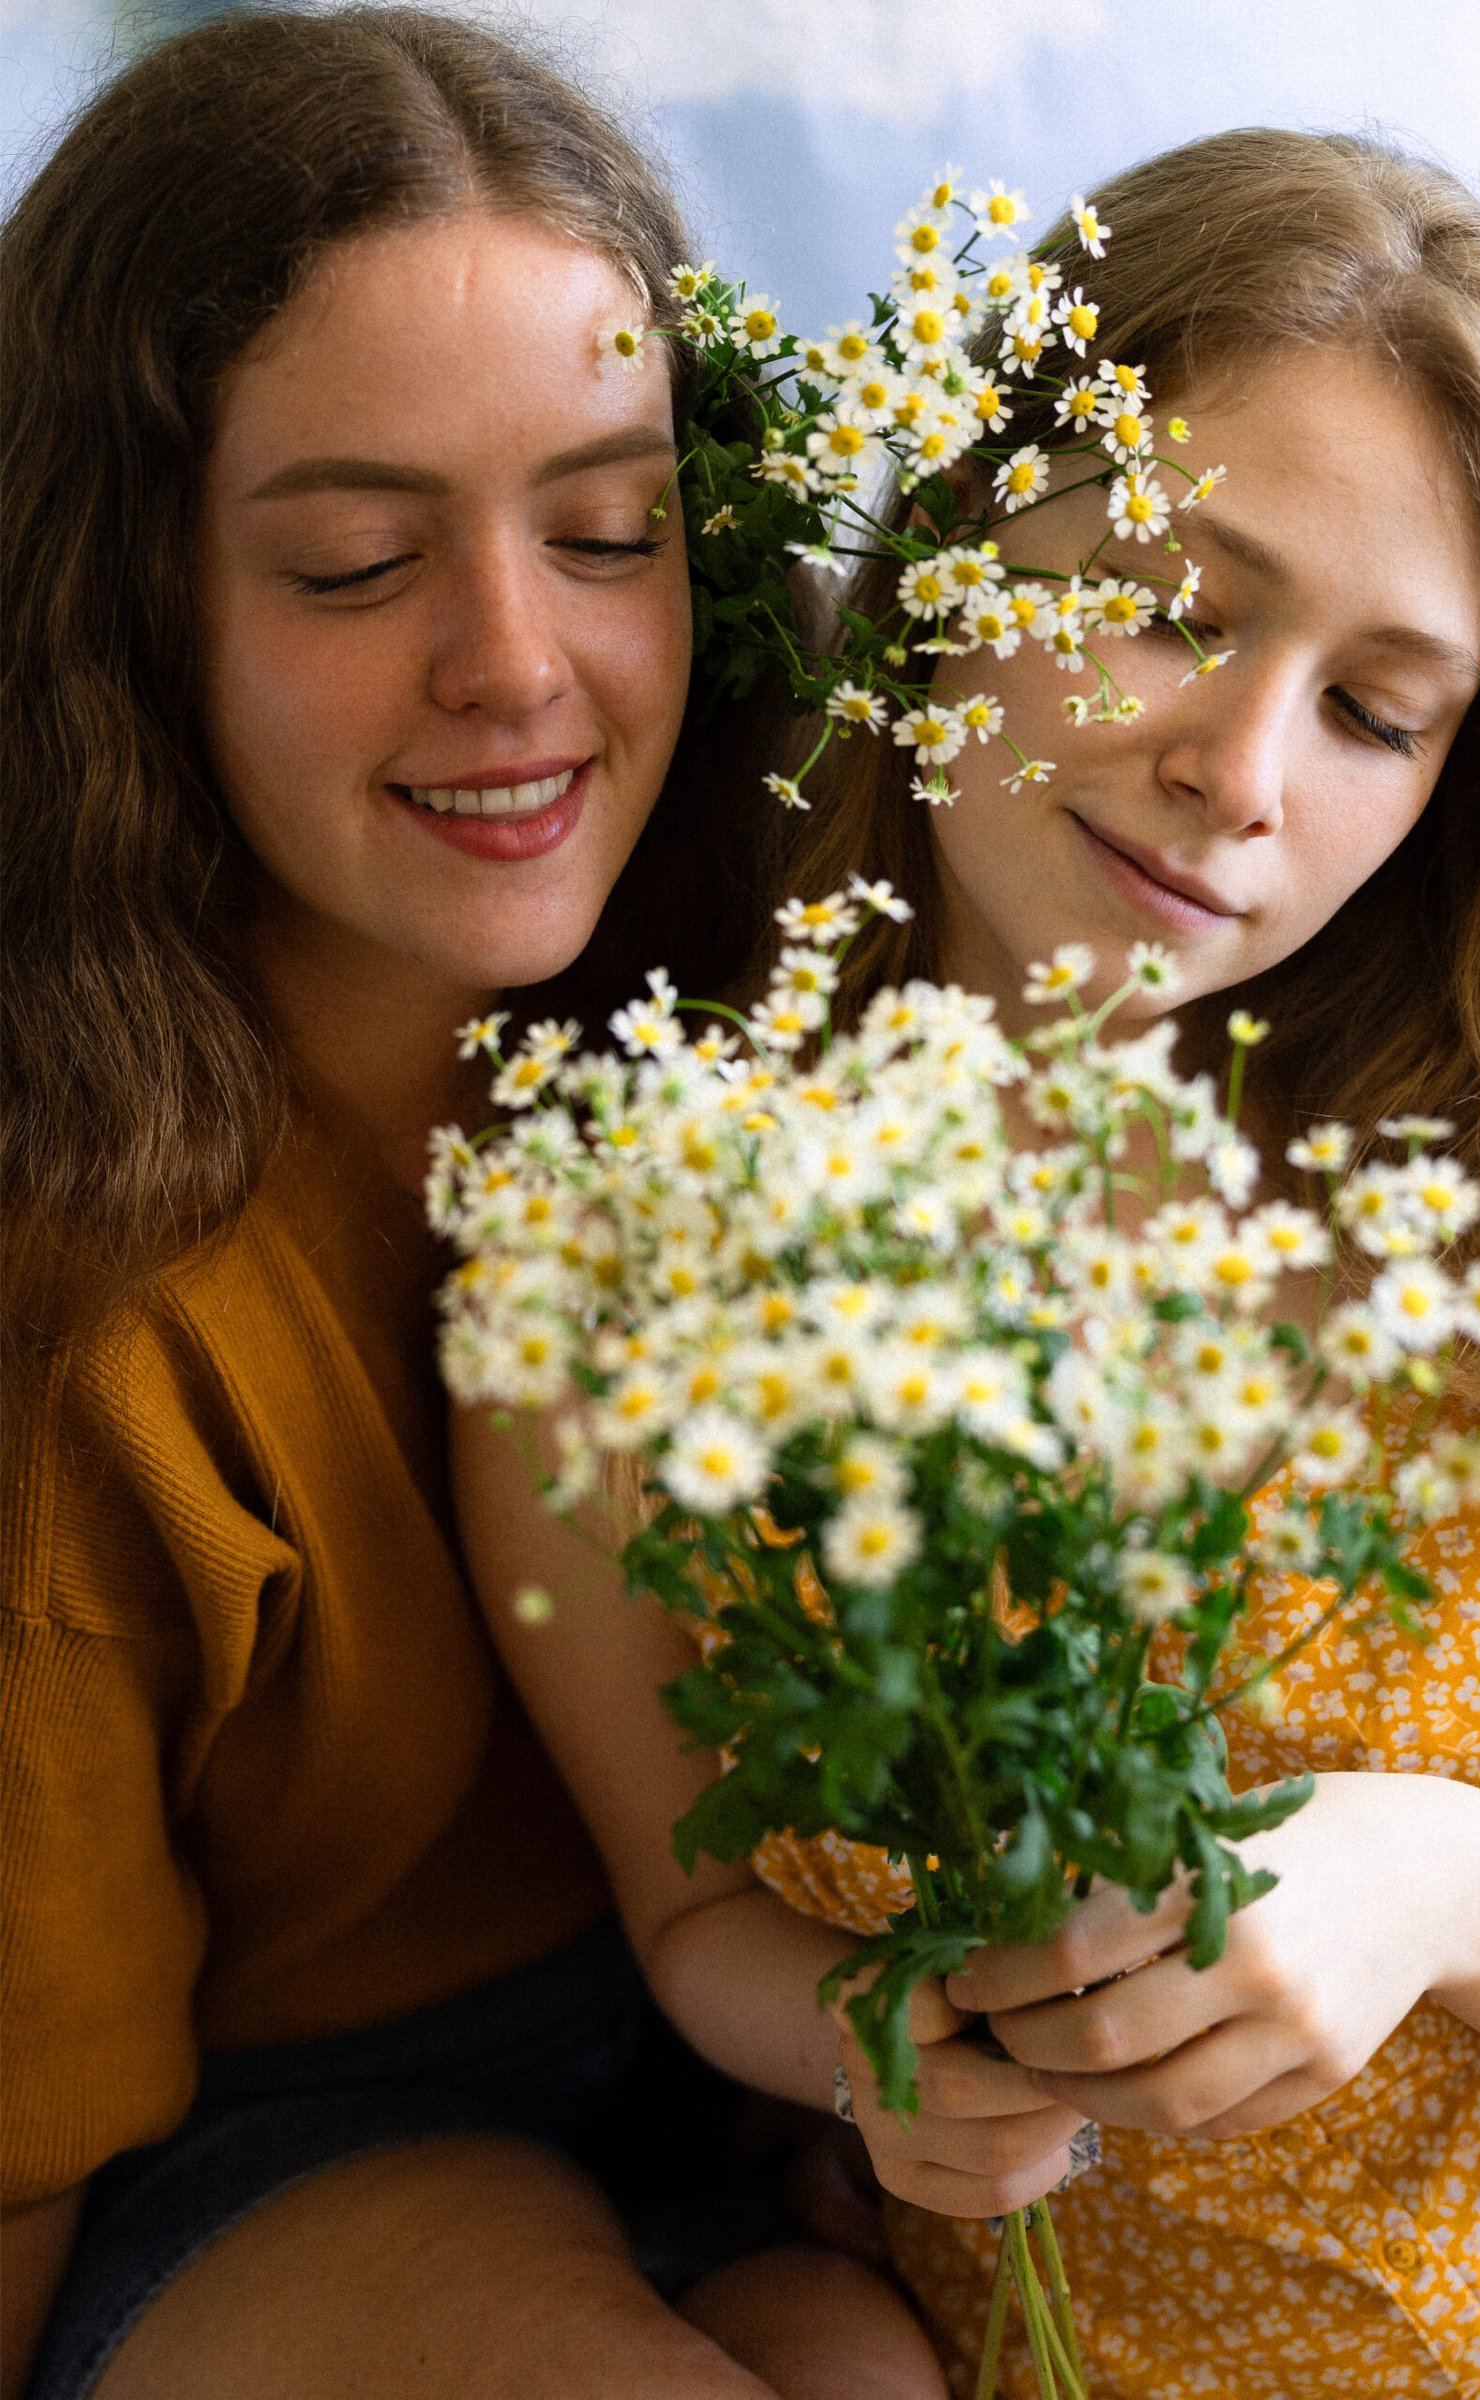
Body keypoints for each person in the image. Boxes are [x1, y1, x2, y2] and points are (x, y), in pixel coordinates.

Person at [456, 132, 1480, 2398]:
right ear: (961, 548)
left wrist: (1442, 1885)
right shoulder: (617, 1250)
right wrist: (881, 2054)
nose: (1235, 769)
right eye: (1172, 600)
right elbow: (696, 1918)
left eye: (1374, 713)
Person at [0, 12, 921, 2397]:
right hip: (260, 2136)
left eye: (609, 533)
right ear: (119, 609)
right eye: (349, 563)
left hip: (754, 2036)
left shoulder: (795, 1007)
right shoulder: (78, 1311)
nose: (517, 664)